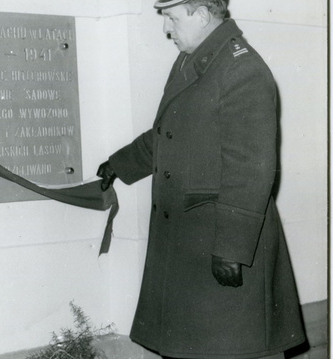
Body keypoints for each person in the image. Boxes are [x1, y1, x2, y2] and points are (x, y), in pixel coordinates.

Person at [96, 0, 306, 358]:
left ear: (203, 15)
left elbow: (251, 168)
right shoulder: (194, 60)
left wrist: (231, 249)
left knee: (229, 348)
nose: (167, 30)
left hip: (220, 242)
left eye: (173, 19)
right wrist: (120, 164)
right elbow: (171, 133)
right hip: (190, 240)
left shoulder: (244, 70)